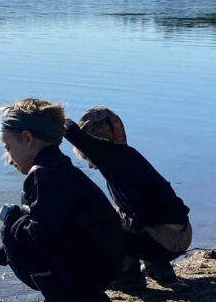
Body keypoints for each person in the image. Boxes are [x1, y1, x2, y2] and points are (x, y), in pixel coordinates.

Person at [0, 99, 125, 302]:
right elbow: (50, 224)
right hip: (104, 269)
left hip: (86, 273)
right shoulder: (61, 168)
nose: (8, 159)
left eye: (8, 148)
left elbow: (41, 234)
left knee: (10, 229)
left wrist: (13, 219)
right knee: (24, 221)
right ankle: (88, 299)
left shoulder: (42, 177)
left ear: (27, 138)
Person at [63, 106, 192, 290]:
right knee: (124, 213)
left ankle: (128, 275)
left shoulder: (110, 157)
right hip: (182, 233)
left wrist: (50, 115)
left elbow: (72, 132)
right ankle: (159, 268)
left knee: (98, 221)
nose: (90, 164)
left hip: (163, 241)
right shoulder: (127, 155)